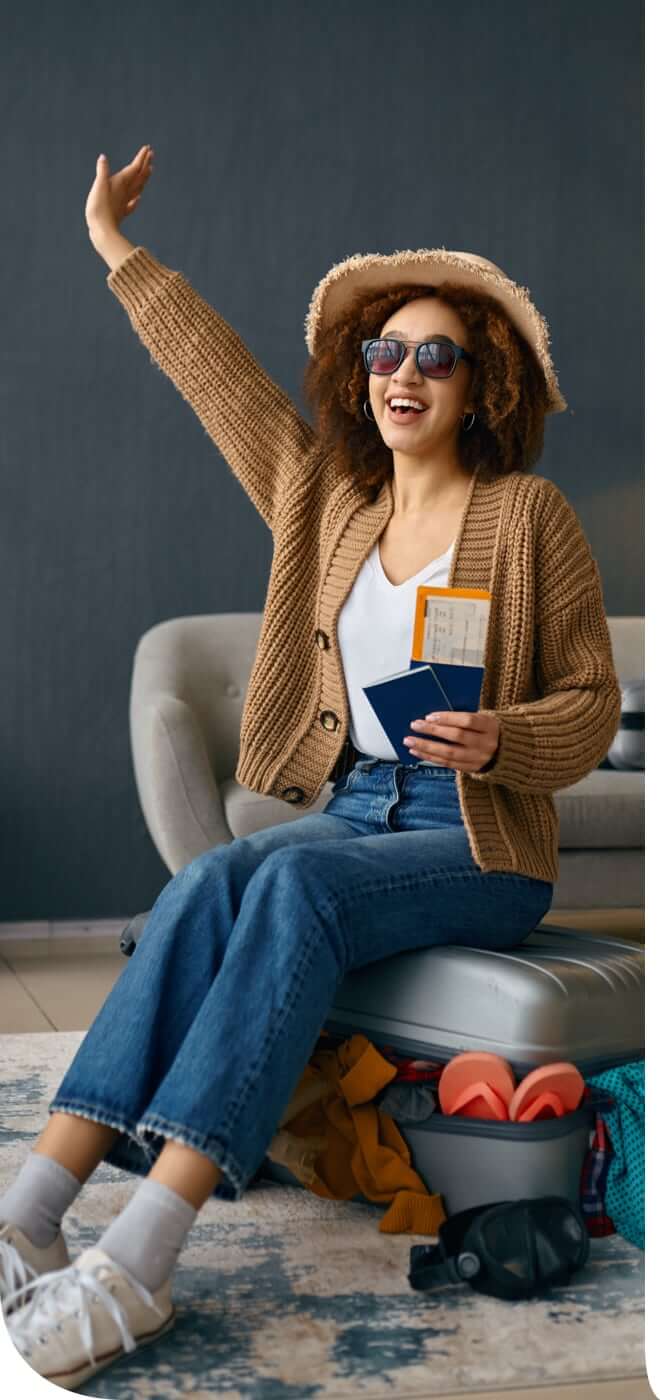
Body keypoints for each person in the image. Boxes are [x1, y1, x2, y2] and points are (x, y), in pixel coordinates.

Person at [1, 145, 621, 1389]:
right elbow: (217, 379)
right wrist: (120, 253)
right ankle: (27, 1212)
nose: (402, 372)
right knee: (208, 883)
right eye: (384, 352)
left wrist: (506, 736)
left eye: (434, 353)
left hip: (476, 835)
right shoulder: (332, 500)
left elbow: (592, 705)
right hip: (356, 806)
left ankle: (140, 1259)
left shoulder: (530, 518)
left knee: (287, 893)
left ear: (481, 380)